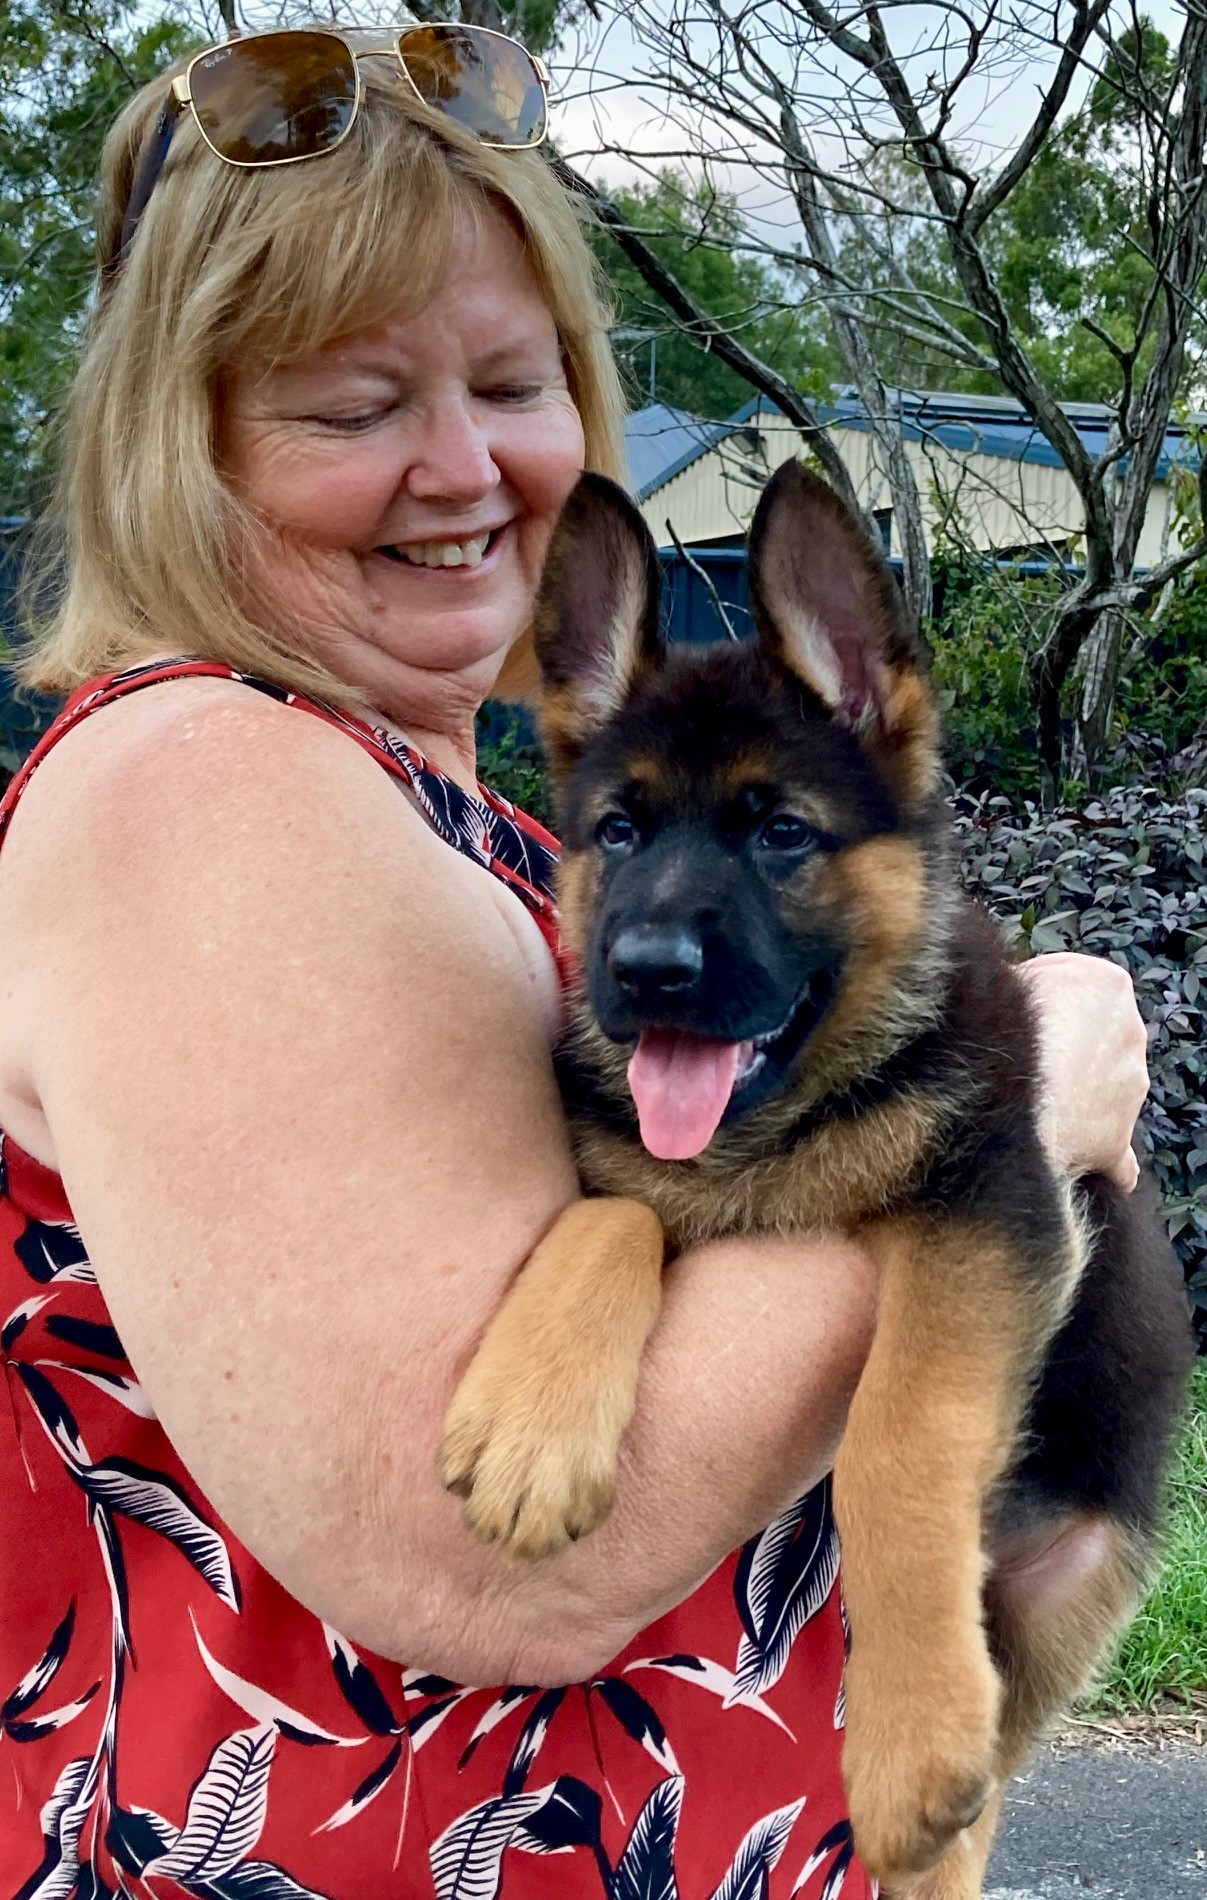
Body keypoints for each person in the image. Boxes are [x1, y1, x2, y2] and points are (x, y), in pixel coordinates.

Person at [0, 27, 1150, 1899]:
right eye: (351, 406)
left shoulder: (476, 809)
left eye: (512, 382)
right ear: (180, 446)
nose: (462, 467)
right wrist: (1034, 1105)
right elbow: (482, 1561)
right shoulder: (206, 790)